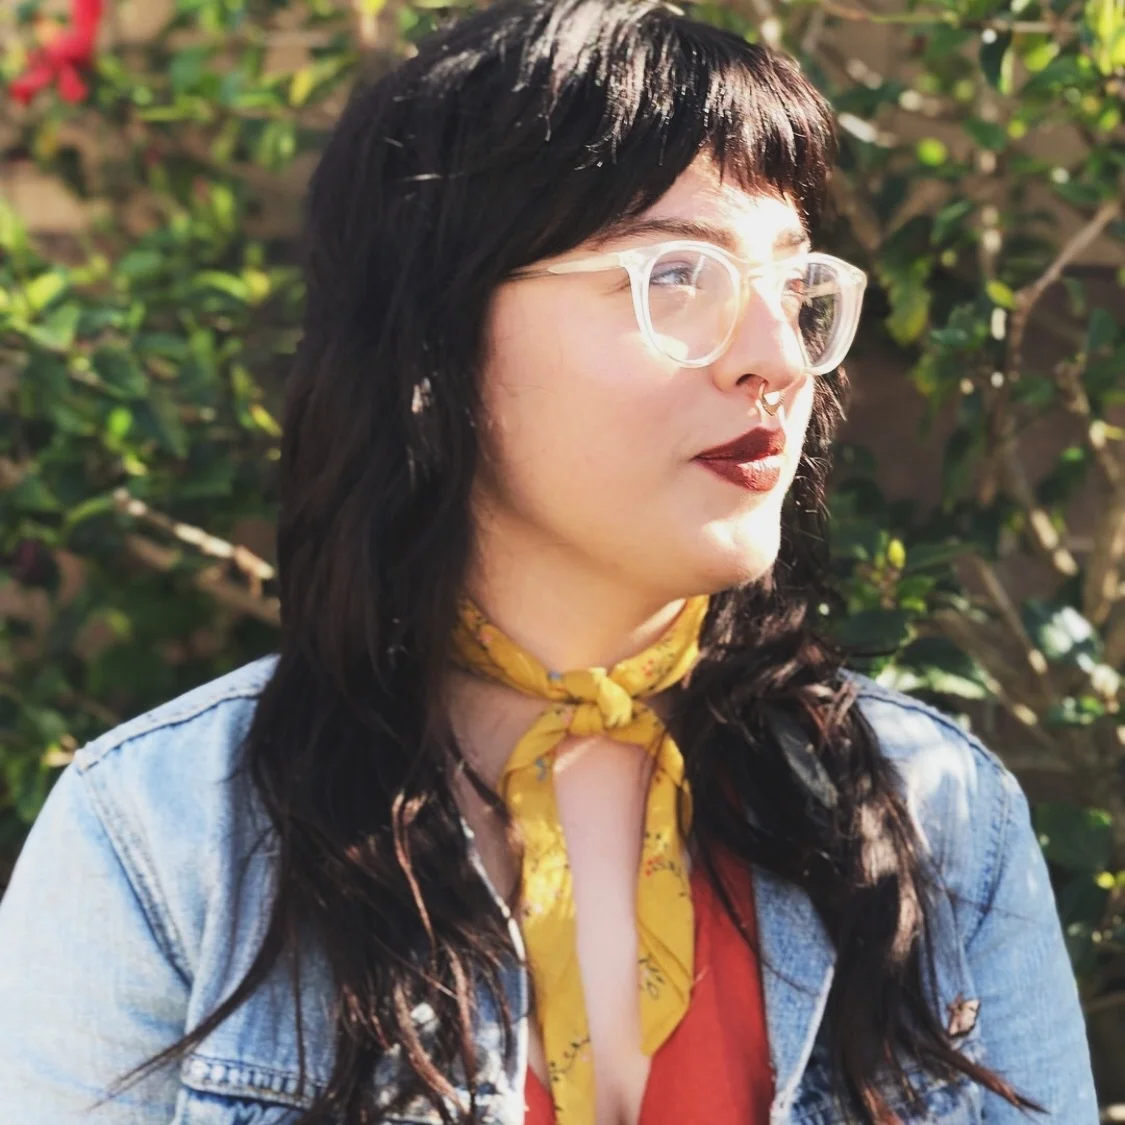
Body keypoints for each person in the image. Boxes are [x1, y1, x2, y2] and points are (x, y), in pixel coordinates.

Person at [0, 2, 1099, 1123]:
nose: (776, 358)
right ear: (438, 333)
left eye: (792, 286)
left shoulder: (939, 817)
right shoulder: (161, 839)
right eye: (679, 276)